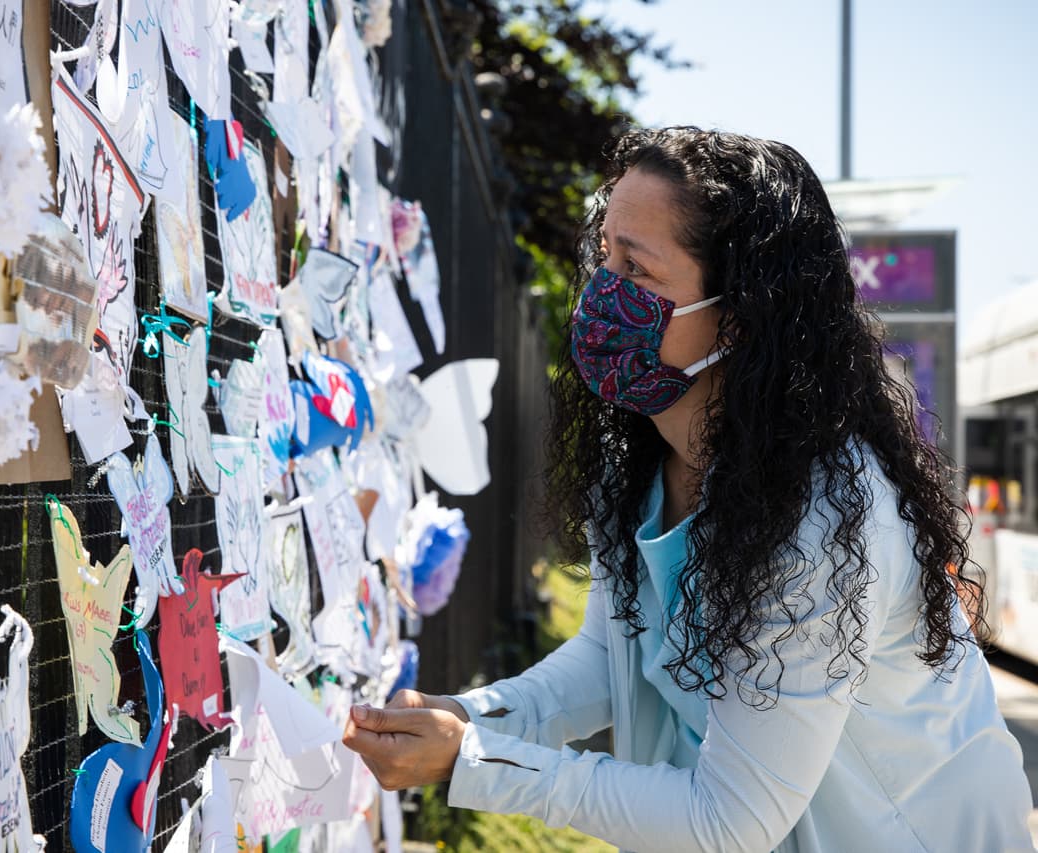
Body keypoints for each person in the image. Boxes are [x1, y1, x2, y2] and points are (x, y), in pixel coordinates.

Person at [342, 127, 1035, 852]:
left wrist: (474, 761)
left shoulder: (823, 512)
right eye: (604, 254)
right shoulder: (638, 456)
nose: (601, 290)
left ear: (736, 318)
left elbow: (726, 820)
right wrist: (465, 717)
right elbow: (611, 660)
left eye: (636, 270)